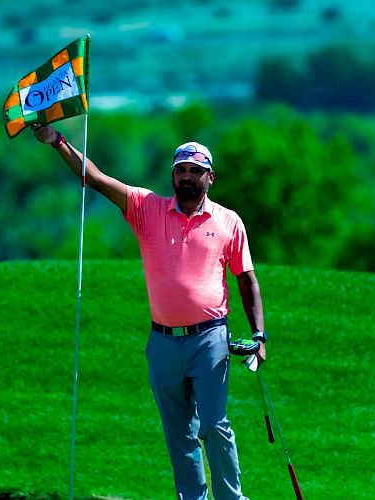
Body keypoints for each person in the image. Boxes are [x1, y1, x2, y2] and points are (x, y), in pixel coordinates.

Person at [32, 124, 267, 500]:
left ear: (210, 177)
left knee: (213, 425)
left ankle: (231, 497)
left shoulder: (228, 222)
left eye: (195, 170)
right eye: (181, 170)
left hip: (210, 339)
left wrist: (259, 336)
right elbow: (95, 179)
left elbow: (247, 281)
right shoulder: (147, 208)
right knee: (179, 432)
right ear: (173, 175)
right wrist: (58, 142)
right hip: (162, 342)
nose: (187, 176)